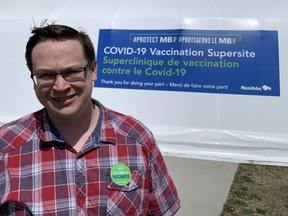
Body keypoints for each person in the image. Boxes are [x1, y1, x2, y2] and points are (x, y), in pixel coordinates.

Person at [0, 21, 180, 215]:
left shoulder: (136, 139)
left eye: (71, 72)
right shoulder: (6, 146)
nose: (60, 86)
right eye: (45, 75)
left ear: (93, 70)